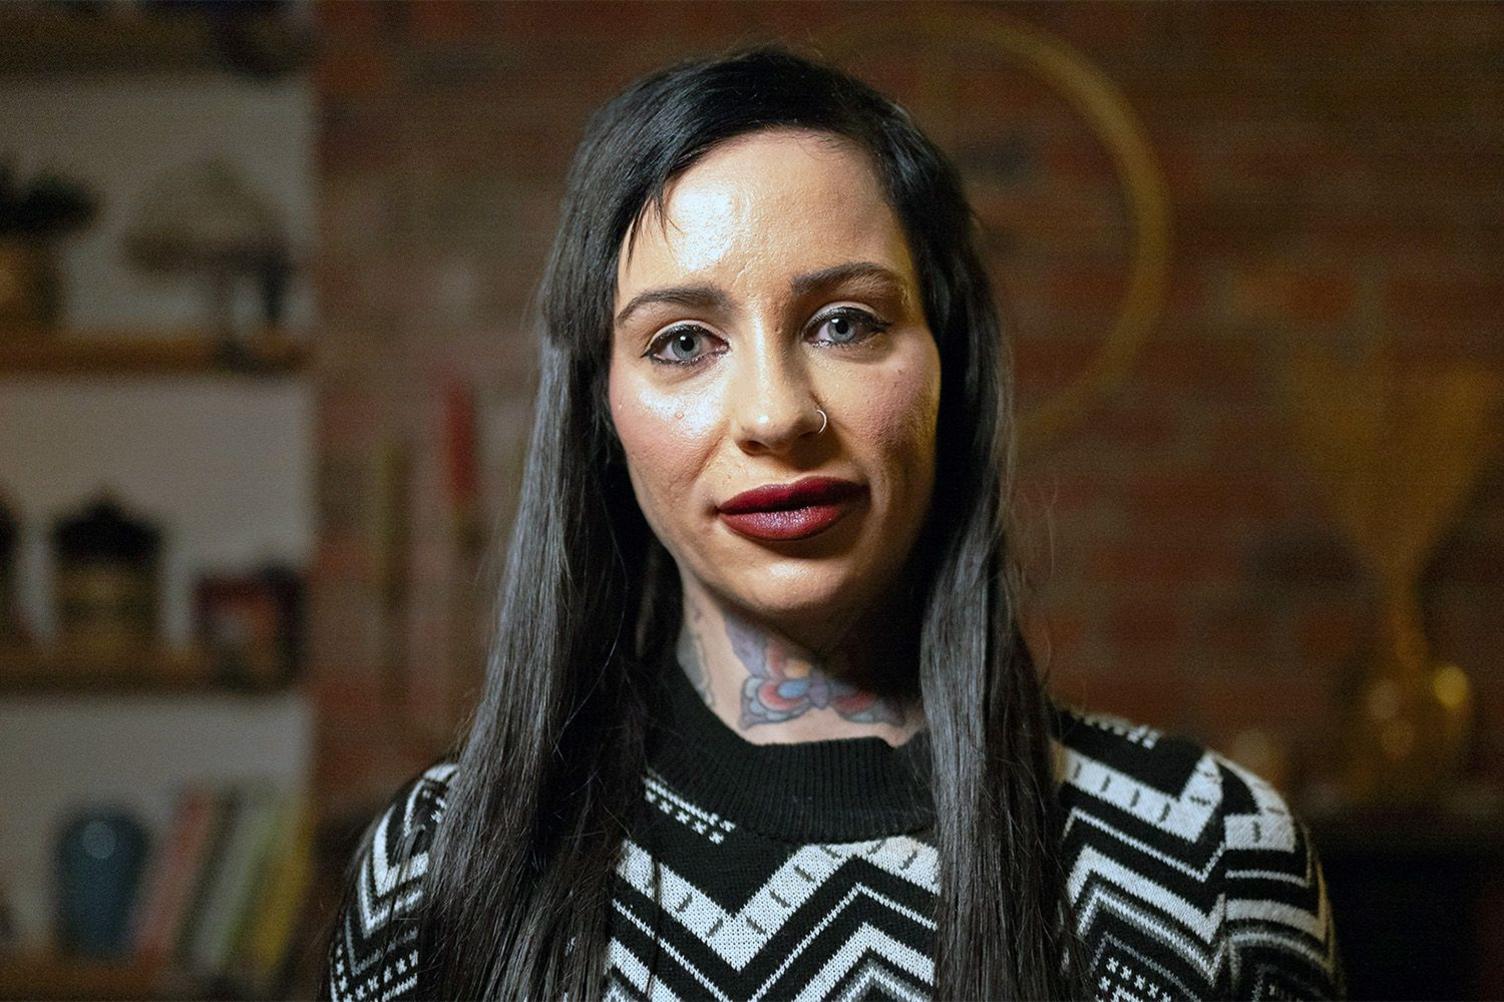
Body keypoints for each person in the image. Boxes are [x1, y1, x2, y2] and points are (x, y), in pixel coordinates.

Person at [324, 47, 1343, 1001]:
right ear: (600, 406)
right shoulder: (440, 863)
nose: (776, 416)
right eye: (682, 341)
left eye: (844, 322)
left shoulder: (1212, 858)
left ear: (950, 363)